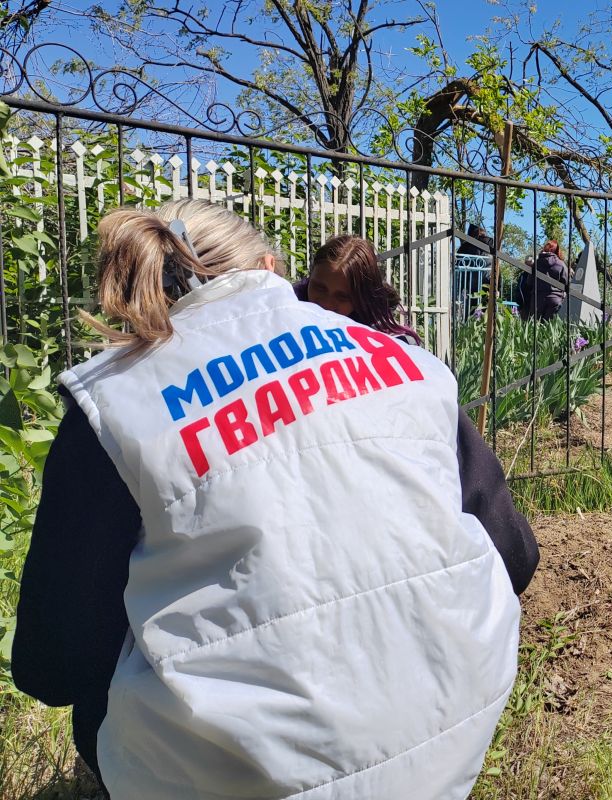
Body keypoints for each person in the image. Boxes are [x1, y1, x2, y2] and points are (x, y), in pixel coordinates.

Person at [13, 198, 538, 800]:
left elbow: (53, 666)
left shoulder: (115, 402)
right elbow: (515, 556)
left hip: (227, 779)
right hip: (452, 738)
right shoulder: (403, 360)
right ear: (268, 267)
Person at [294, 234, 422, 345]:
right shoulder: (284, 320)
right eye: (319, 288)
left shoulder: (392, 344)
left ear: (363, 298)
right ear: (310, 279)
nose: (326, 304)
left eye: (342, 297)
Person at [519, 240, 568, 322]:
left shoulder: (536, 264)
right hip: (555, 299)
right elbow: (566, 283)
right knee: (551, 330)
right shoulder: (561, 264)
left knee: (536, 329)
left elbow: (529, 282)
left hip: (537, 300)